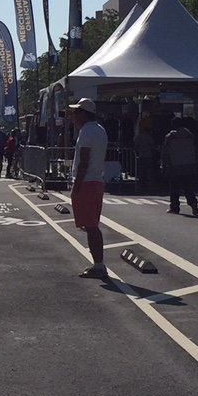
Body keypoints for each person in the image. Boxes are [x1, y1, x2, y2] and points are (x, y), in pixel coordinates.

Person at [69, 97, 109, 279]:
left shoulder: (86, 131)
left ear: (84, 114)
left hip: (87, 182)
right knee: (92, 225)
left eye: (76, 112)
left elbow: (84, 160)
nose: (73, 115)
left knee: (91, 226)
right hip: (96, 181)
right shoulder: (99, 130)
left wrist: (76, 186)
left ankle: (99, 266)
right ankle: (98, 264)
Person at [160, 118, 198, 216]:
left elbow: (165, 151)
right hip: (188, 164)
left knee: (174, 188)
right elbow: (195, 149)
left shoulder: (170, 136)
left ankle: (174, 207)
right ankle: (193, 203)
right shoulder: (190, 135)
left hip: (175, 165)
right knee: (188, 187)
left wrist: (164, 163)